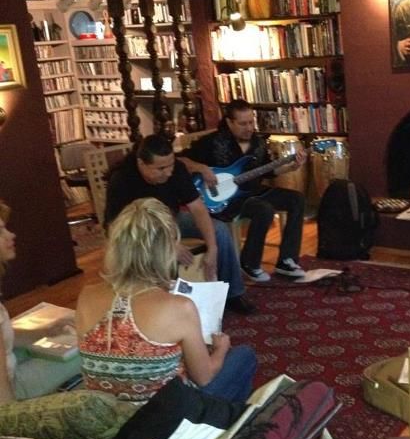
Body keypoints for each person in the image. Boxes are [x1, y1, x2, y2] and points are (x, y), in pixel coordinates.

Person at [76, 198, 257, 403]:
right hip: (163, 417)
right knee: (244, 356)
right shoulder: (180, 307)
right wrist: (221, 348)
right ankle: (227, 418)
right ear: (166, 251)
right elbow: (204, 377)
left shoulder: (86, 296)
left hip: (106, 414)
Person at [105, 134, 255, 314]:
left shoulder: (177, 169)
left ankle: (233, 293)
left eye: (170, 165)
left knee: (220, 231)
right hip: (139, 231)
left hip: (173, 220)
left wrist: (213, 248)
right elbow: (114, 226)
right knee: (163, 254)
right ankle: (166, 304)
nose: (168, 172)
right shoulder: (122, 179)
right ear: (141, 163)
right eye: (160, 168)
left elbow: (197, 207)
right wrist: (167, 244)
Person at [178, 99, 307, 282]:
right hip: (226, 200)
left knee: (297, 199)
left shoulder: (258, 143)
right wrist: (202, 168)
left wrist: (291, 167)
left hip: (253, 191)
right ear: (230, 122)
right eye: (243, 124)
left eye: (251, 122)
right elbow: (181, 160)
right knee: (263, 209)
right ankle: (250, 264)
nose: (249, 128)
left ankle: (287, 260)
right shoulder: (212, 142)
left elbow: (268, 170)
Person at [0, 201, 80, 404]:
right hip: (11, 387)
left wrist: (46, 331)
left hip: (10, 368)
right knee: (89, 350)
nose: (11, 235)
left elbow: (5, 337)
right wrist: (16, 416)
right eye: (0, 231)